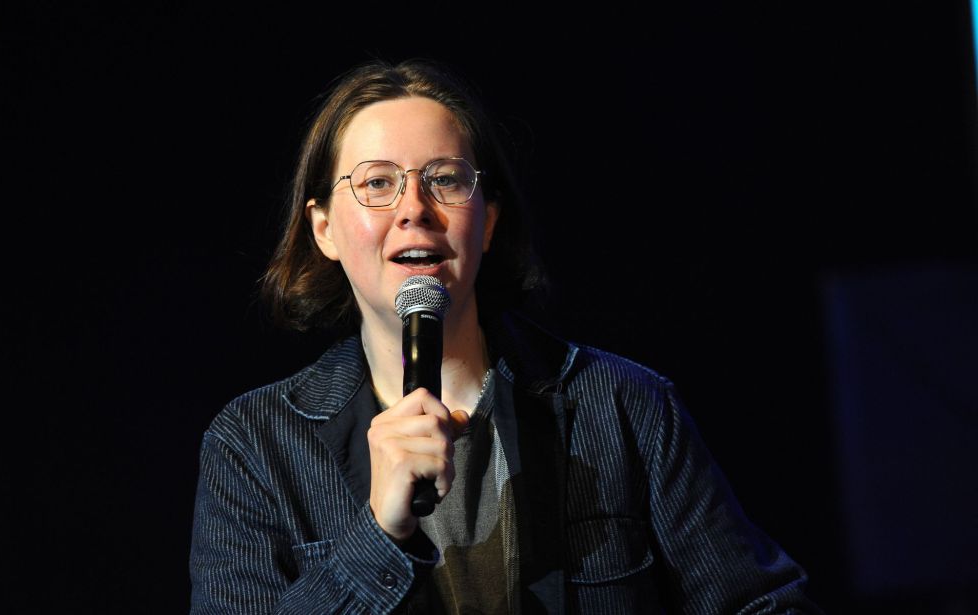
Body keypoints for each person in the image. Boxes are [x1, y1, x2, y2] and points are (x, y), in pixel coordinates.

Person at [189, 58, 822, 614]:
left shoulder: (624, 406)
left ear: (487, 223)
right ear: (324, 228)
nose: (415, 207)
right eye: (378, 183)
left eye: (445, 179)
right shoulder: (255, 446)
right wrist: (377, 534)